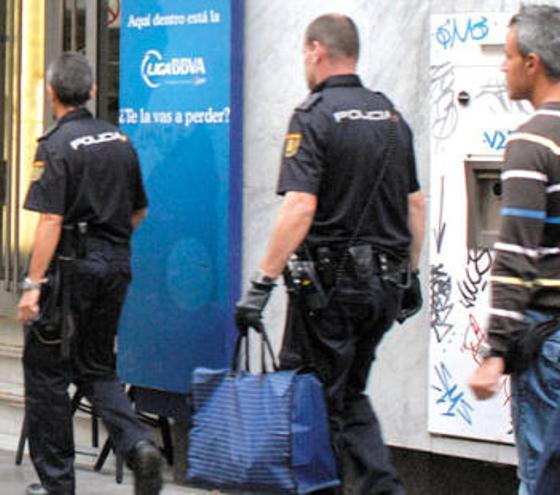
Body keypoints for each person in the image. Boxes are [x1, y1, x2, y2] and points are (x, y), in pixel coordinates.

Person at [234, 14, 425, 495]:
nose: (303, 60)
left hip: (330, 291)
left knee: (308, 400)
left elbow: (300, 206)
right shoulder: (391, 117)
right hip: (382, 287)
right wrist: (410, 274)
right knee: (348, 394)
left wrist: (261, 284)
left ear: (317, 50)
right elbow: (415, 205)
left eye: (304, 52)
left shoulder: (313, 116)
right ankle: (382, 488)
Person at [16, 52, 162, 495]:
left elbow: (49, 221)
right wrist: (109, 239)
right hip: (115, 263)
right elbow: (139, 209)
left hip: (71, 270)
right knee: (97, 366)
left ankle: (58, 485)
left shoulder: (55, 146)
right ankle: (138, 445)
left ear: (52, 93)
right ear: (93, 92)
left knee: (46, 372)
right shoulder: (120, 141)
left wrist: (33, 285)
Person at [467, 5, 560, 494]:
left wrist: (495, 351)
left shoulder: (531, 141)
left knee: (541, 478)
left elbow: (516, 255)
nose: (502, 66)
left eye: (507, 56)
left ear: (534, 62)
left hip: (548, 346)